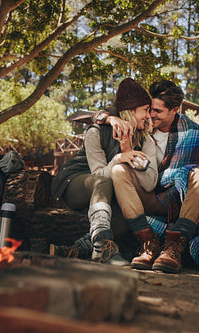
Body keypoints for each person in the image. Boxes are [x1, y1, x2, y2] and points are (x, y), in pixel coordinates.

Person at [94, 79, 199, 273]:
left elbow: (198, 171)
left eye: (157, 111)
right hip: (148, 193)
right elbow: (98, 114)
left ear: (174, 110)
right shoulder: (142, 127)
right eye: (149, 109)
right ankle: (148, 243)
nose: (150, 115)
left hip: (180, 198)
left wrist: (174, 178)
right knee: (118, 170)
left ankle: (174, 246)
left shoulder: (191, 131)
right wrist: (112, 120)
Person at [51, 78, 158, 266]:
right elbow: (99, 175)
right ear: (131, 111)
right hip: (77, 183)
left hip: (107, 197)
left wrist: (127, 153)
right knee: (104, 183)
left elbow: (149, 184)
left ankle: (77, 250)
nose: (148, 115)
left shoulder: (146, 141)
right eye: (145, 110)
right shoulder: (97, 132)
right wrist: (119, 159)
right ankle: (101, 245)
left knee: (126, 216)